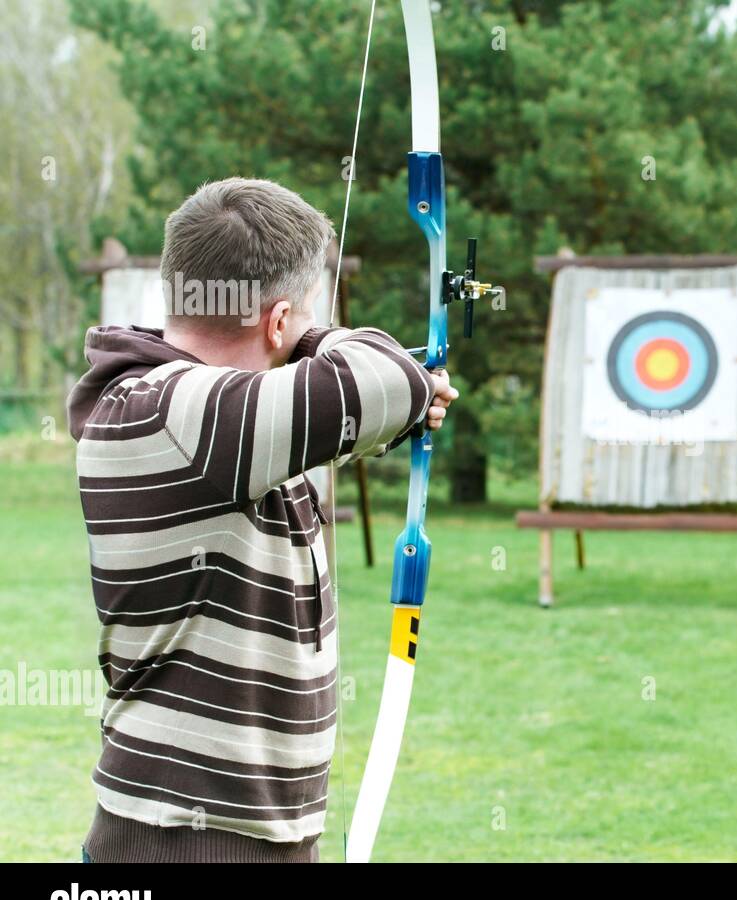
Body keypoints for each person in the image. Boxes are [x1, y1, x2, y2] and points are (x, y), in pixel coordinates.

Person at [66, 178, 456, 862]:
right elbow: (386, 382)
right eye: (298, 322)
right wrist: (338, 353)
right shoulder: (174, 411)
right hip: (187, 840)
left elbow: (373, 398)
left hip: (232, 832)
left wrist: (379, 384)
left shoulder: (229, 419)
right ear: (278, 324)